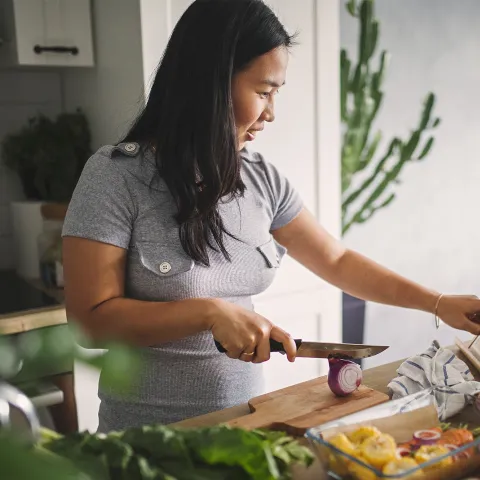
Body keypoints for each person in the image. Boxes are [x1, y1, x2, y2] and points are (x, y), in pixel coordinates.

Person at [62, 0, 480, 432]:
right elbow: (90, 323)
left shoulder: (262, 179)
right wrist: (207, 312)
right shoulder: (114, 176)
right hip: (147, 442)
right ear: (210, 82)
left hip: (248, 429)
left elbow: (336, 261)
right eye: (263, 91)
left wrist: (438, 302)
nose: (271, 113)